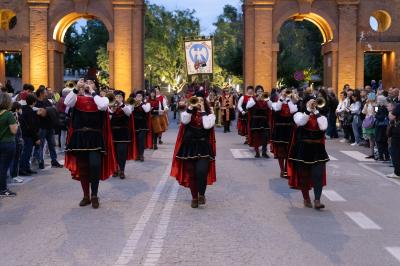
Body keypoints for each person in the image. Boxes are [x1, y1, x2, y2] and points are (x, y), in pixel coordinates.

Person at [64, 79, 117, 209]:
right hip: (80, 137)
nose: (87, 84)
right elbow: (67, 102)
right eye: (85, 82)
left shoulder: (101, 99)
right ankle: (86, 196)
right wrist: (76, 88)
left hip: (95, 137)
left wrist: (93, 92)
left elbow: (103, 106)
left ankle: (94, 194)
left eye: (91, 83)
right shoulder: (76, 98)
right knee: (83, 167)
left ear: (95, 86)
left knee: (95, 165)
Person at [171, 88, 216, 208]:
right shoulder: (189, 112)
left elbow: (207, 125)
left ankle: (202, 194)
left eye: (201, 100)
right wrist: (190, 107)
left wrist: (202, 110)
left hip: (203, 146)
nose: (199, 102)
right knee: (192, 174)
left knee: (201, 172)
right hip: (189, 146)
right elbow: (184, 121)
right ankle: (194, 198)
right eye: (197, 100)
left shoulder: (210, 114)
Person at [287, 98, 329, 209]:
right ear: (305, 104)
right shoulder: (298, 114)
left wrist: (316, 112)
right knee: (304, 176)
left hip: (317, 149)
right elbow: (301, 122)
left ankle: (317, 200)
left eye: (314, 102)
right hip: (303, 149)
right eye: (310, 102)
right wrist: (308, 111)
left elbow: (323, 127)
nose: (313, 104)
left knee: (318, 175)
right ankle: (306, 198)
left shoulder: (322, 116)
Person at [33, 86, 63, 169]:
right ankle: (40, 161)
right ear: (41, 94)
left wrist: (46, 111)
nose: (47, 93)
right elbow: (41, 113)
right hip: (42, 127)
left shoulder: (47, 101)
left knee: (52, 145)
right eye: (45, 92)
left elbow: (51, 110)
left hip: (49, 126)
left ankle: (54, 161)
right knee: (41, 146)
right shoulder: (36, 103)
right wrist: (45, 111)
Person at [271, 88, 298, 178]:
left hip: (289, 129)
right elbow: (277, 108)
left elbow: (293, 111)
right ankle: (282, 170)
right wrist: (282, 98)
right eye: (283, 92)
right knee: (280, 152)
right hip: (280, 130)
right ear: (280, 93)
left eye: (286, 92)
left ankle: (287, 170)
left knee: (289, 151)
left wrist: (288, 100)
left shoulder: (292, 103)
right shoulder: (275, 103)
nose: (285, 94)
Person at [109, 90, 134, 179]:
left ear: (123, 98)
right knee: (114, 153)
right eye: (116, 97)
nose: (118, 98)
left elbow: (128, 113)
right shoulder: (110, 107)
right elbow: (108, 118)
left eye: (120, 97)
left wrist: (121, 104)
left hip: (123, 133)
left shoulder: (127, 106)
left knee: (122, 152)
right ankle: (115, 169)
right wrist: (112, 110)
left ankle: (122, 170)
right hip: (113, 133)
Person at [19, 94, 42, 176]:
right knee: (26, 153)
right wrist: (37, 138)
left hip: (26, 134)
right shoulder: (29, 112)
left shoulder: (25, 110)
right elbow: (32, 126)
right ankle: (22, 169)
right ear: (34, 102)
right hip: (29, 135)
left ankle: (27, 168)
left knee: (27, 153)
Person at [0, 93, 18, 197]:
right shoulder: (8, 114)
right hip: (7, 143)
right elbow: (14, 130)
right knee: (3, 167)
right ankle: (3, 189)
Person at [246, 85, 272, 158]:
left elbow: (271, 106)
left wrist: (267, 99)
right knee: (256, 137)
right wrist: (256, 99)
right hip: (255, 121)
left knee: (265, 136)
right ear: (256, 92)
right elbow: (248, 106)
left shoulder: (266, 98)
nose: (260, 92)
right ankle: (257, 152)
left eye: (261, 91)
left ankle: (264, 152)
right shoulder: (252, 98)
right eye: (258, 91)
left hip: (264, 121)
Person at [132, 91, 151, 162]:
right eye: (137, 96)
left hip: (142, 124)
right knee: (136, 140)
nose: (138, 97)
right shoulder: (133, 104)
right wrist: (133, 104)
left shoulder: (146, 104)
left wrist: (141, 103)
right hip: (135, 124)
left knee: (141, 140)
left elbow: (146, 110)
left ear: (142, 97)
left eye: (140, 96)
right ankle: (137, 154)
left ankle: (141, 154)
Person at [9, 102, 24, 183]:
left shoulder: (12, 114)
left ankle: (14, 175)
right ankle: (14, 175)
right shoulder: (14, 115)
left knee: (15, 158)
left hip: (15, 139)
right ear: (17, 109)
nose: (21, 110)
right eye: (20, 108)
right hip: (16, 139)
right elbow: (16, 129)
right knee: (15, 158)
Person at [375, 95, 390, 161]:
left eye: (377, 99)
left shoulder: (383, 108)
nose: (376, 101)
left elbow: (379, 116)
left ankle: (382, 156)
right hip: (381, 126)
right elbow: (375, 113)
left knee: (380, 141)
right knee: (382, 141)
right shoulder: (378, 107)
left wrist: (376, 115)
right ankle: (385, 156)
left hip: (381, 126)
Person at [387, 102, 400, 179]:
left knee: (395, 151)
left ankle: (397, 173)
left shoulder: (398, 106)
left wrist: (390, 112)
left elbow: (391, 117)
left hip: (398, 131)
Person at [362, 93, 377, 158]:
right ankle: (372, 153)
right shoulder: (367, 104)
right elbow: (363, 112)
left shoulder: (375, 105)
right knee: (371, 138)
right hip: (370, 122)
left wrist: (373, 107)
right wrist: (366, 105)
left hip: (373, 122)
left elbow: (376, 113)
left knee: (374, 138)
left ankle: (375, 153)